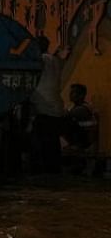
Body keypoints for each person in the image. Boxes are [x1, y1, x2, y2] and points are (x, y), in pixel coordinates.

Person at [28, 36, 64, 173]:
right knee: (53, 143)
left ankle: (41, 171)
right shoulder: (54, 60)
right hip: (56, 107)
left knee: (39, 145)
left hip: (43, 108)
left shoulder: (40, 60)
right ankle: (54, 170)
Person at [62, 83, 96, 151]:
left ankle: (77, 145)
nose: (70, 94)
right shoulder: (75, 107)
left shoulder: (82, 108)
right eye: (70, 92)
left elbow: (66, 115)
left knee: (65, 122)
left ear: (81, 95)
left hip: (85, 140)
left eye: (73, 92)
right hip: (83, 137)